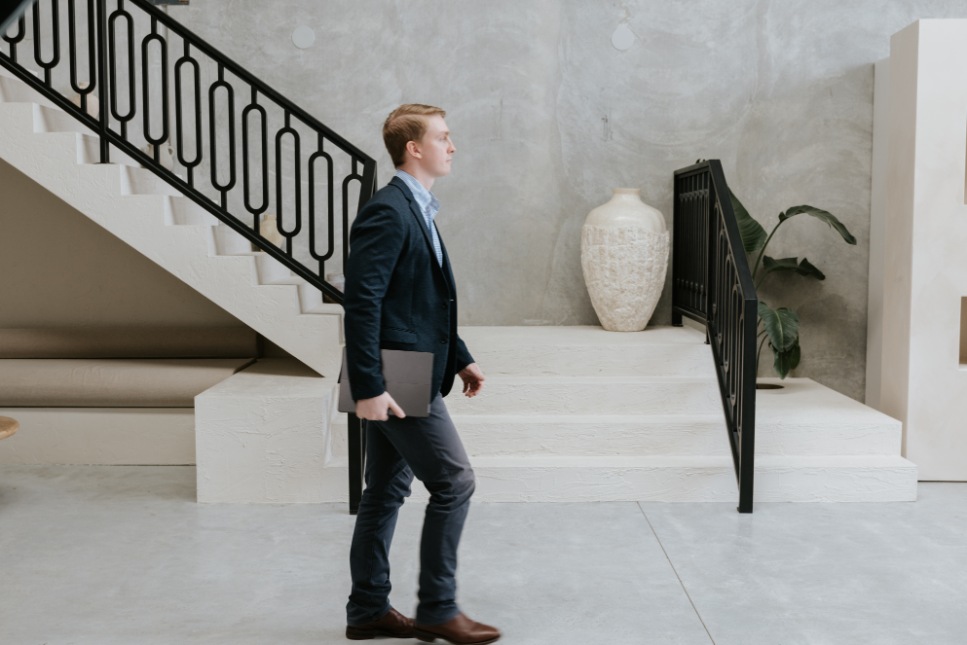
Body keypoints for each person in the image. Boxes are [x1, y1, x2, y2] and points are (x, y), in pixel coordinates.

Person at [343, 104, 501, 645]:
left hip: (409, 366)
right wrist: (369, 387)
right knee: (455, 481)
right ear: (414, 148)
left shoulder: (419, 208)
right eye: (443, 137)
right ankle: (437, 608)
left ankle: (367, 609)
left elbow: (420, 301)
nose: (452, 147)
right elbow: (362, 302)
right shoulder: (389, 211)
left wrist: (459, 356)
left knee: (385, 490)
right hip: (396, 375)